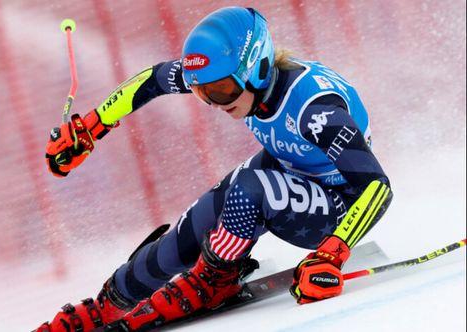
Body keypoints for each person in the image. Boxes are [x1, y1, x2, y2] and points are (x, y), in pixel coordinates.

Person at [37, 6, 393, 332]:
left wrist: (332, 253)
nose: (212, 102)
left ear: (258, 68)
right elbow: (154, 79)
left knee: (249, 188)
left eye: (221, 91)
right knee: (187, 233)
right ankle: (109, 303)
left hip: (338, 205)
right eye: (200, 92)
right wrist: (92, 126)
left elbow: (376, 188)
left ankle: (213, 279)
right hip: (292, 168)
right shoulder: (238, 81)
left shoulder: (314, 112)